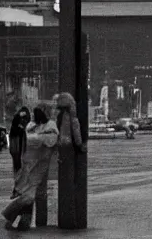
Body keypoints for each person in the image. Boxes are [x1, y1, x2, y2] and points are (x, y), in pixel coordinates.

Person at [1, 106, 58, 231]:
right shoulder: (34, 127)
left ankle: (19, 220)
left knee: (30, 196)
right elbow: (49, 141)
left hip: (33, 166)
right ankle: (15, 218)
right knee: (31, 196)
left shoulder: (29, 128)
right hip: (35, 166)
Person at [55, 93, 86, 228]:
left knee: (64, 181)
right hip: (69, 150)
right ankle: (71, 218)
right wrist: (80, 145)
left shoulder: (58, 116)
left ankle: (65, 214)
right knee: (70, 181)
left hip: (60, 149)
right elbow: (77, 133)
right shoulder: (71, 117)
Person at [8, 108, 31, 197]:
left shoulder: (17, 130)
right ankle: (18, 189)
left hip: (18, 153)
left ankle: (18, 189)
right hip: (19, 153)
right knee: (19, 169)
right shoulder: (19, 130)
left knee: (18, 169)